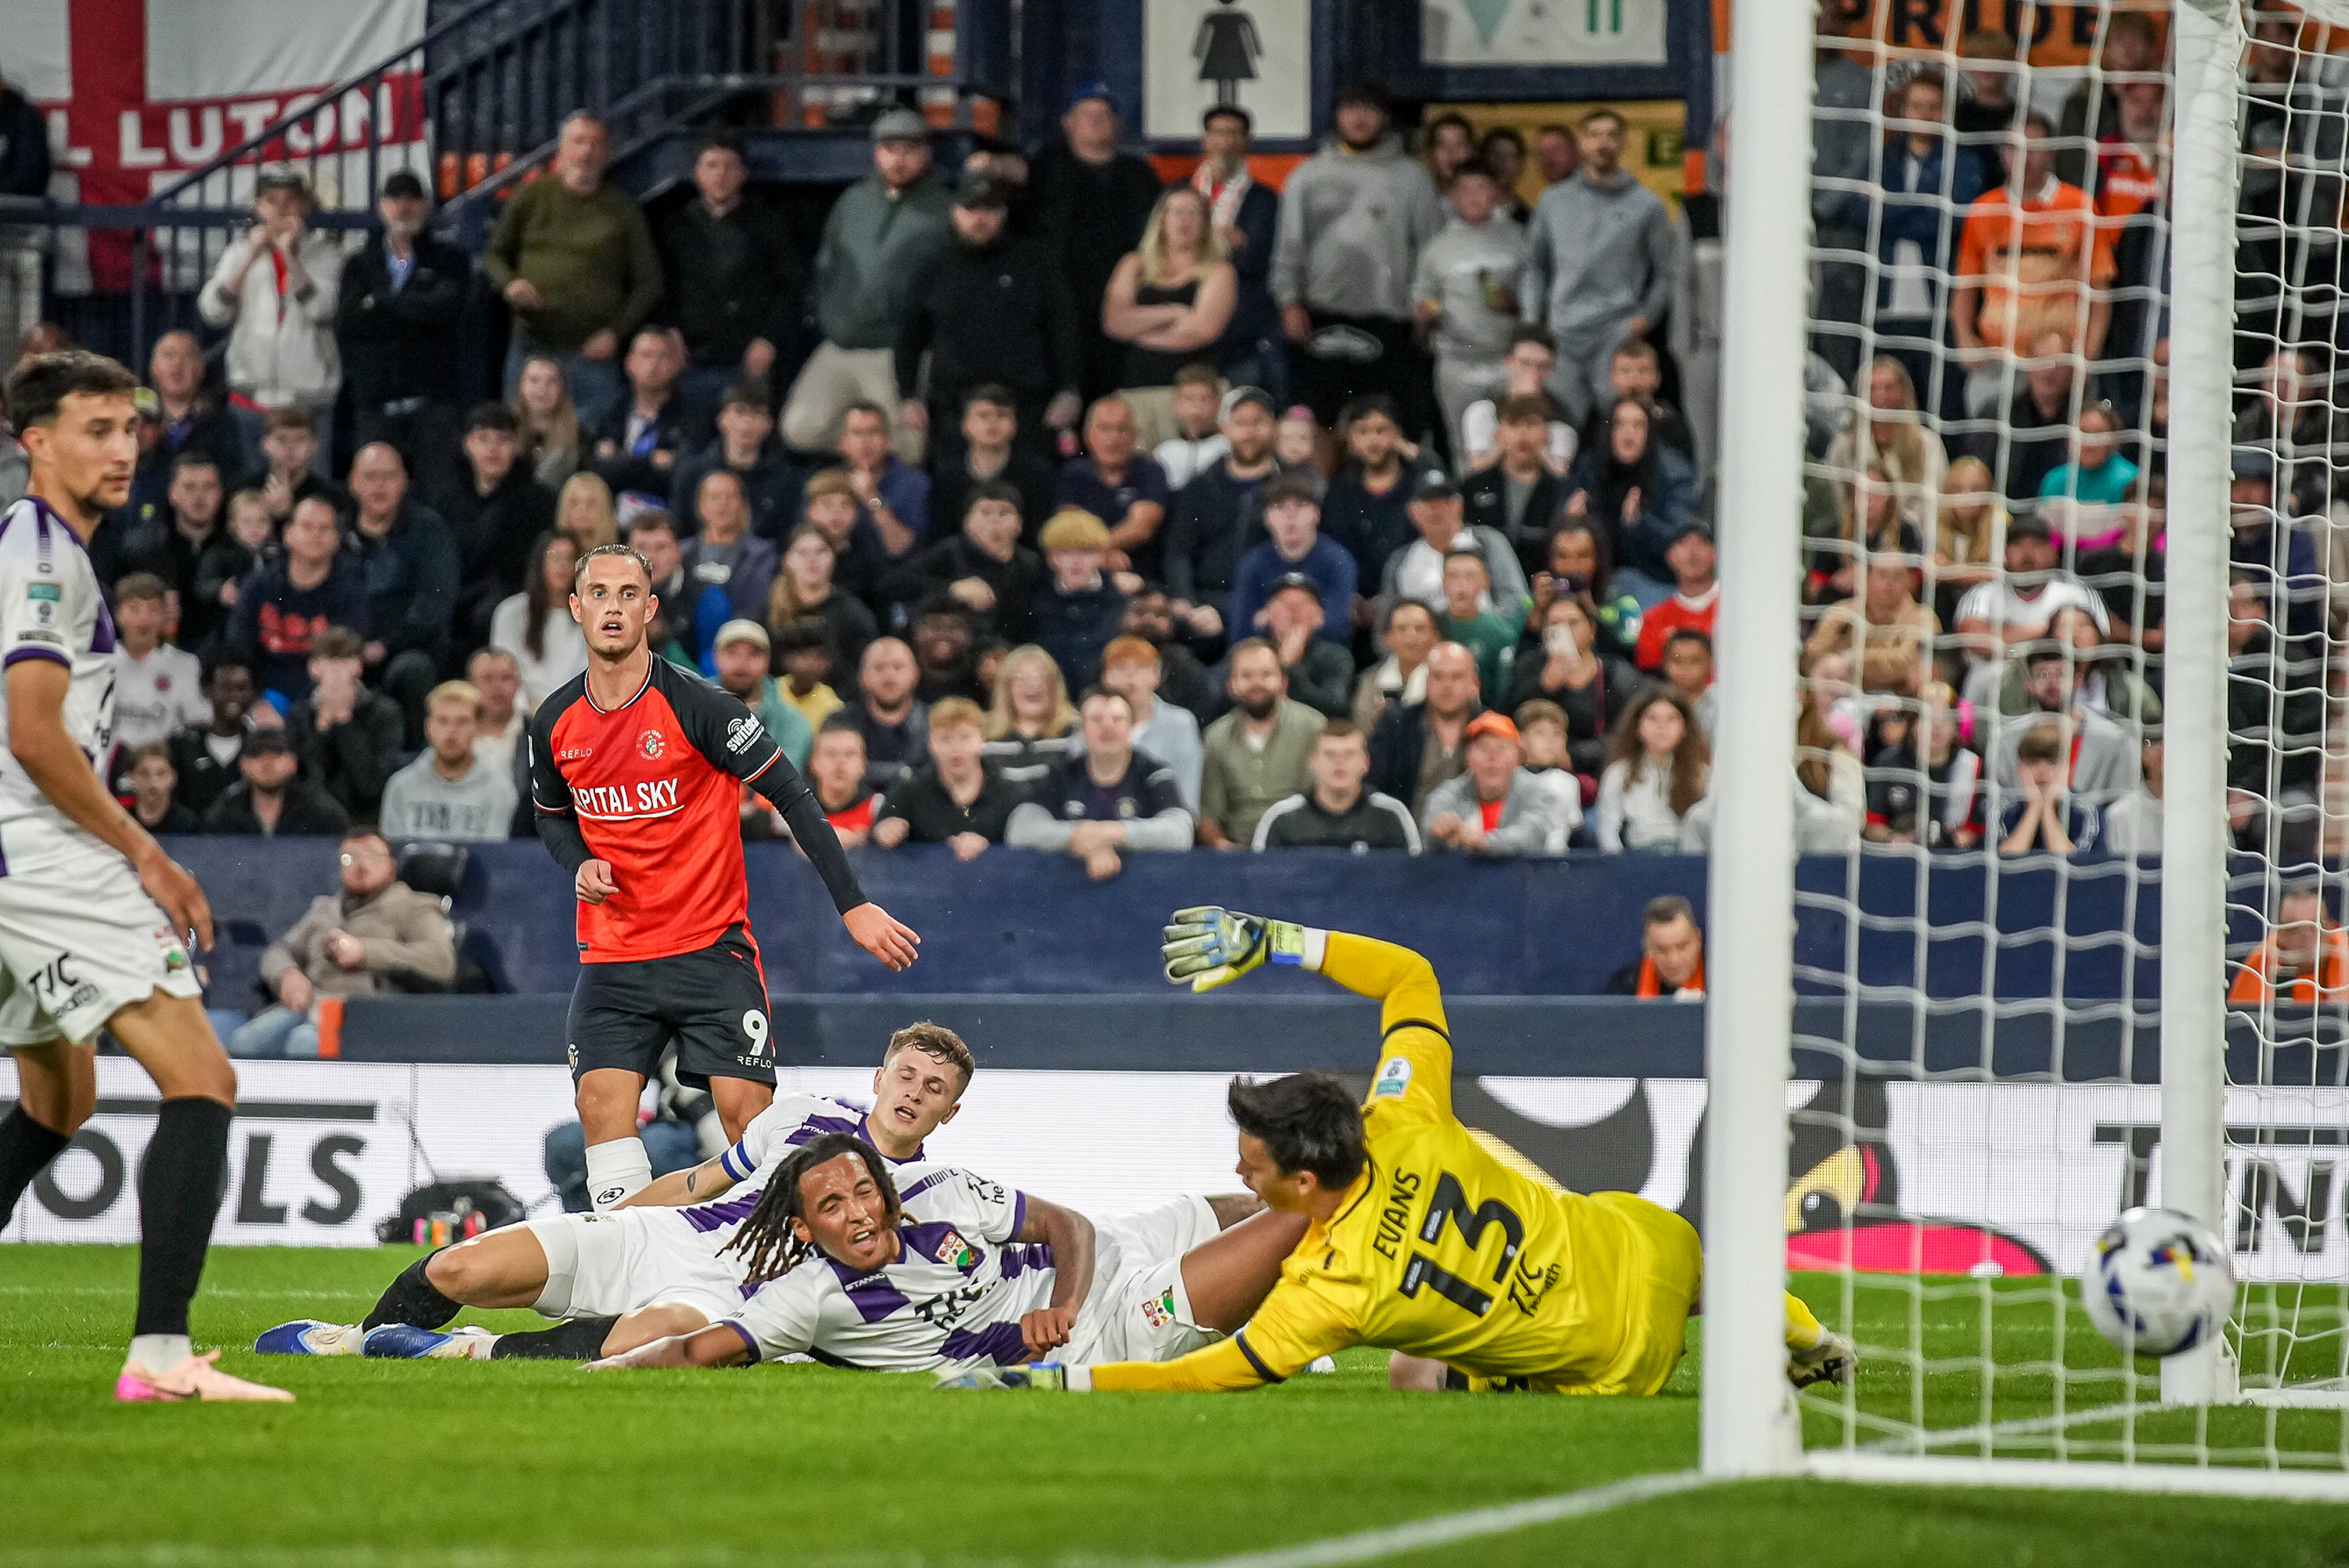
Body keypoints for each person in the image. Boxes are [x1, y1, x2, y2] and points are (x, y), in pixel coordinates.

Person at [1007, 909, 1847, 1394]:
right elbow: (1411, 975)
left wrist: (1070, 1380)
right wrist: (1278, 941)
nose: (1238, 1174)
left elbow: (1218, 1370)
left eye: (1252, 1168)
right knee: (1647, 1246)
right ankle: (1804, 1333)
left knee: (1412, 1372)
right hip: (1655, 1250)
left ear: (1304, 1181)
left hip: (1617, 1367)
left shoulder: (1329, 1289)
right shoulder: (1401, 1111)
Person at [0, 353, 293, 1400]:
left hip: (16, 861)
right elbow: (34, 734)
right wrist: (146, 850)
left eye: (129, 427)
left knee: (59, 1095)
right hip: (44, 859)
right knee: (203, 1077)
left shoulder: (36, 547)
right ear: (34, 440)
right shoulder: (45, 557)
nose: (123, 448)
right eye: (94, 428)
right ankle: (162, 1355)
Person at [531, 542, 920, 1209]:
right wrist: (579, 863)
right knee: (601, 1107)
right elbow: (552, 817)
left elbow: (795, 795)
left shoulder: (703, 707)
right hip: (614, 953)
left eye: (630, 594)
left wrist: (851, 903)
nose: (614, 607)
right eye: (600, 593)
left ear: (651, 608)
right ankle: (628, 1279)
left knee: (750, 1120)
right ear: (576, 607)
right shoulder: (553, 721)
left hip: (710, 948)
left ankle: (775, 1265)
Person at [276, 1026, 978, 1363]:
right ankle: (355, 1342)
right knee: (460, 1267)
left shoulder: (929, 1196)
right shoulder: (800, 1115)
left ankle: (462, 1350)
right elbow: (697, 1183)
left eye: (934, 1087)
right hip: (669, 1235)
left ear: (948, 1112)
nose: (915, 1091)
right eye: (907, 1074)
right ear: (881, 1075)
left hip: (733, 1295)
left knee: (652, 1341)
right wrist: (608, 1219)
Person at [587, 1134, 1300, 1380]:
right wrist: (600, 1369)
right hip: (1098, 1333)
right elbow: (690, 1352)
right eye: (832, 1207)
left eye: (864, 1191)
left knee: (1244, 1203)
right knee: (1298, 1215)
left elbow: (1066, 1223)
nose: (860, 1212)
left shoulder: (938, 1188)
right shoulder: (807, 1299)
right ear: (804, 1230)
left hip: (1097, 1264)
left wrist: (1062, 1300)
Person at [1271, 82, 1447, 428]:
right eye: (1350, 108)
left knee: (1392, 423)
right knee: (1321, 422)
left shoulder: (1413, 178)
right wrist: (1289, 301)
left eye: (1369, 109)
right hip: (1321, 318)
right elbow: (1289, 246)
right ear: (1338, 116)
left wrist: (1429, 306)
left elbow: (1433, 252)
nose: (1359, 118)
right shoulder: (1308, 176)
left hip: (1394, 323)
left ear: (1384, 117)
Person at [783, 110, 953, 459]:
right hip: (840, 343)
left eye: (909, 149)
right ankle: (856, 475)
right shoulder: (853, 200)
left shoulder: (945, 210)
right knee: (798, 429)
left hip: (895, 352)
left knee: (909, 448)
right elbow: (825, 265)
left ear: (926, 154)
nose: (899, 159)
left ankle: (879, 489)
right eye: (890, 149)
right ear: (876, 153)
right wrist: (827, 315)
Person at [485, 113, 662, 416]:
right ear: (562, 149)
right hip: (531, 346)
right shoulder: (532, 196)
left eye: (596, 144)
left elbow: (650, 281)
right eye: (579, 142)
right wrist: (510, 284)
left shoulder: (623, 209)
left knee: (591, 443)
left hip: (592, 354)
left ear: (606, 153)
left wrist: (615, 333)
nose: (586, 152)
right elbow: (495, 254)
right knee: (521, 438)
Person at [897, 181, 1082, 470]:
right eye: (971, 209)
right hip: (954, 407)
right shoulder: (933, 267)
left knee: (1031, 487)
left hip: (1028, 405)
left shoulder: (1037, 261)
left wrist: (1070, 389)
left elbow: (1064, 329)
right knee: (955, 492)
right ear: (955, 212)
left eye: (990, 209)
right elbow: (909, 335)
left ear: (1004, 213)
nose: (980, 218)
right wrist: (908, 395)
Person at [227, 826, 453, 1062]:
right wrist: (287, 974)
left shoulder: (415, 907)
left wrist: (365, 952)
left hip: (368, 1012)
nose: (362, 866)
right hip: (311, 1003)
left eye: (373, 857)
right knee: (245, 1042)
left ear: (392, 865)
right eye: (350, 858)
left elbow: (441, 961)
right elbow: (279, 950)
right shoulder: (325, 909)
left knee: (304, 1042)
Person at [1952, 113, 2115, 420]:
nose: (2024, 159)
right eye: (2015, 149)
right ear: (2004, 154)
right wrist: (1965, 338)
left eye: (2034, 148)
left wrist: (2088, 358)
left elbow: (2100, 292)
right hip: (1997, 361)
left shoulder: (2079, 206)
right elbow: (1965, 287)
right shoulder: (1983, 210)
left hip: (2061, 363)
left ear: (2052, 151)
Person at [1521, 110, 1674, 427]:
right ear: (1581, 143)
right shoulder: (1553, 201)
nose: (1602, 143)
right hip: (1562, 333)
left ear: (1623, 143)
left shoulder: (1647, 206)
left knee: (1619, 424)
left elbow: (1666, 273)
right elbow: (1534, 267)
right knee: (1559, 423)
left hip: (1616, 331)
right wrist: (1533, 325)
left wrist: (1642, 320)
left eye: (1610, 135)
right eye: (1594, 135)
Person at [1859, 70, 1991, 409]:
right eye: (1918, 106)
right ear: (1904, 110)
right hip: (1883, 307)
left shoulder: (1965, 161)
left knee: (1944, 405)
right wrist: (1923, 209)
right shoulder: (1880, 157)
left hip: (1941, 311)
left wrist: (1891, 211)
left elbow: (1953, 217)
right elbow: (1860, 211)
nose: (1925, 115)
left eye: (1934, 107)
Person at [198, 169, 345, 468]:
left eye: (291, 200)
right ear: (259, 208)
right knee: (253, 501)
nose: (281, 209)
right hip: (251, 401)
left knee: (311, 500)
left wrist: (290, 255)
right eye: (272, 200)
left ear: (305, 206)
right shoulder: (239, 252)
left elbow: (322, 309)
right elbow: (213, 310)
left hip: (306, 406)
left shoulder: (326, 254)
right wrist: (251, 254)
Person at [1031, 85, 1164, 401]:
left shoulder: (1140, 175)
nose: (1096, 121)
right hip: (1059, 301)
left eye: (1104, 114)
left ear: (1118, 124)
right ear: (1068, 122)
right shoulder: (1043, 170)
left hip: (1124, 302)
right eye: (1087, 114)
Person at [655, 131, 800, 406]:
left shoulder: (769, 224)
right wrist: (670, 330)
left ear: (743, 173)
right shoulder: (676, 226)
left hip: (750, 360)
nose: (720, 175)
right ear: (697, 173)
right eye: (712, 165)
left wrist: (770, 339)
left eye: (730, 166)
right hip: (692, 358)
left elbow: (789, 287)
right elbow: (662, 284)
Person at [337, 170, 467, 467]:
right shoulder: (359, 264)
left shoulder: (451, 260)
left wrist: (380, 302)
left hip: (434, 402)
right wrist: (416, 307)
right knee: (375, 489)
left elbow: (446, 311)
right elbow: (348, 324)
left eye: (413, 199)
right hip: (374, 403)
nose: (404, 206)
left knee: (437, 490)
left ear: (426, 206)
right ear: (382, 207)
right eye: (396, 198)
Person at [1102, 186, 1237, 449]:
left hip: (1196, 397)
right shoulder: (1134, 263)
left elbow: (1202, 330)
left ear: (1206, 223)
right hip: (1137, 389)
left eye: (1193, 213)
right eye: (1176, 212)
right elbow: (1114, 323)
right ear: (1161, 219)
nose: (1184, 220)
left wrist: (1138, 329)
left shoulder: (1220, 270)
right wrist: (1173, 312)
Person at [1006, 687, 1193, 880]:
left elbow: (1180, 832)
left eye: (1117, 719)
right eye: (1096, 720)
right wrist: (1078, 838)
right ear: (1082, 732)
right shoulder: (1062, 774)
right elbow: (1020, 829)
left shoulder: (1154, 774)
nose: (1107, 727)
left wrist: (1113, 833)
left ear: (1132, 729)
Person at [1413, 160, 1528, 454]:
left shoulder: (1520, 239)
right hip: (1457, 363)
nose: (1474, 197)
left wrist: (1515, 303)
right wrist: (1427, 314)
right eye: (1465, 189)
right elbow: (1421, 297)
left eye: (1482, 188)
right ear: (1452, 196)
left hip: (1509, 361)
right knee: (1465, 446)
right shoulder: (1437, 247)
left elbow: (1540, 298)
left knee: (1517, 442)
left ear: (1497, 194)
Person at [342, 443, 456, 730]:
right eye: (370, 477)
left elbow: (435, 602)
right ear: (353, 482)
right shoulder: (334, 533)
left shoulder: (430, 530)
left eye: (389, 477)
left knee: (413, 670)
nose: (379, 486)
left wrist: (385, 646)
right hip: (343, 652)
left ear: (404, 482)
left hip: (406, 650)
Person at [431, 402, 557, 649]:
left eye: (503, 440)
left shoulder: (537, 500)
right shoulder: (446, 500)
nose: (493, 449)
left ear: (516, 447)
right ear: (467, 445)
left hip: (510, 597)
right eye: (483, 439)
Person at [224, 492, 366, 704]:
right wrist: (257, 700)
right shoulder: (259, 585)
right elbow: (239, 648)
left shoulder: (350, 591)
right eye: (307, 527)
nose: (315, 535)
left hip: (323, 696)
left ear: (336, 539)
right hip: (262, 696)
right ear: (288, 533)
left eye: (324, 529)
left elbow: (345, 656)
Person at [1164, 386, 1285, 627]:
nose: (1249, 432)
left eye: (1258, 422)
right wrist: (1190, 604)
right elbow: (1179, 552)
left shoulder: (1293, 486)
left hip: (1270, 605)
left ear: (1273, 427)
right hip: (1207, 602)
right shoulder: (1199, 487)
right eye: (1240, 423)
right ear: (1225, 429)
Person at [1561, 397, 1697, 606]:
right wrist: (1570, 521)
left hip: (1653, 577)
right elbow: (1558, 534)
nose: (1628, 432)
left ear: (1650, 433)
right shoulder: (1589, 467)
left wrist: (1641, 524)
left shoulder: (1675, 474)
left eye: (1638, 425)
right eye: (1620, 424)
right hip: (1595, 580)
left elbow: (1681, 542)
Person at [879, 480, 1045, 646]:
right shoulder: (950, 552)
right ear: (968, 523)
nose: (995, 522)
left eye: (1004, 513)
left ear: (1019, 524)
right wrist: (952, 589)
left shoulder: (1031, 564)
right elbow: (893, 584)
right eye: (985, 513)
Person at [1197, 639, 1326, 849]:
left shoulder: (1313, 727)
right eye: (1247, 676)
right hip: (1237, 855)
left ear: (1283, 682)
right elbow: (1209, 814)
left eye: (1266, 675)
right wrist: (1222, 846)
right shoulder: (1216, 736)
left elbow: (1323, 804)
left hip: (1300, 850)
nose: (1257, 684)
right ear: (1231, 685)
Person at [1192, 105, 1281, 390]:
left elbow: (1258, 258)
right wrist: (1227, 240)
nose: (1225, 141)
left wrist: (1200, 241)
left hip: (1242, 325)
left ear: (1247, 143)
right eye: (1217, 132)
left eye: (1233, 134)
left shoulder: (1265, 200)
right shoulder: (1181, 192)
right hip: (1187, 316)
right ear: (1205, 140)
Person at [1505, 590, 1638, 779]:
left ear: (1592, 629)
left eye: (1573, 623)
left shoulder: (1616, 674)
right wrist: (1544, 686)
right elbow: (1508, 719)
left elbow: (1626, 735)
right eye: (1555, 624)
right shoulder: (1528, 667)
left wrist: (1573, 756)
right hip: (1533, 773)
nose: (1564, 631)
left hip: (1598, 775)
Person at [871, 697, 1024, 860]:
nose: (956, 749)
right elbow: (878, 832)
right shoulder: (909, 789)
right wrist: (885, 832)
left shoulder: (1010, 791)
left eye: (965, 737)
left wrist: (989, 849)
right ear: (931, 743)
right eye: (945, 739)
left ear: (982, 739)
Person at [1989, 643, 2139, 798]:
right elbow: (2000, 807)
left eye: (2062, 674)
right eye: (2041, 674)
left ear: (2078, 681)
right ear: (2030, 684)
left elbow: (2123, 807)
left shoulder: (2116, 740)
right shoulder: (2005, 739)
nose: (2052, 683)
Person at [285, 626, 403, 822]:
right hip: (311, 826)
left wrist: (345, 722)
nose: (336, 670)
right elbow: (304, 785)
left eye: (345, 660)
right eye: (329, 661)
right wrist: (322, 727)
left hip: (367, 821)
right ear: (313, 668)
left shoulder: (385, 713)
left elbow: (371, 787)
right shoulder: (299, 715)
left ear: (358, 666)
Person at [1379, 470, 1529, 624]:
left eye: (1444, 501)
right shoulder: (1400, 561)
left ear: (1459, 506)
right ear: (1413, 511)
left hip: (1485, 640)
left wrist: (1494, 632)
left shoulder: (1488, 542)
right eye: (1427, 502)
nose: (1435, 509)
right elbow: (1385, 622)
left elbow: (1517, 599)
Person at [1822, 356, 1947, 537]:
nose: (1881, 396)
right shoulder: (1843, 447)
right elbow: (1837, 504)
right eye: (1872, 389)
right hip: (1855, 541)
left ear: (1904, 392)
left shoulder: (1928, 444)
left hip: (1913, 543)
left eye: (1889, 388)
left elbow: (1934, 507)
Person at [1225, 474, 1355, 647]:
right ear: (1267, 517)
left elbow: (1337, 627)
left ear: (1316, 514)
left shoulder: (1337, 560)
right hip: (1266, 652)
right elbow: (1240, 631)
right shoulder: (1253, 563)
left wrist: (1272, 619)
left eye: (1300, 506)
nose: (1290, 516)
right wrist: (1309, 619)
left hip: (1319, 653)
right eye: (1280, 507)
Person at [1421, 710, 1572, 856]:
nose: (1493, 757)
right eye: (1483, 748)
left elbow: (1531, 836)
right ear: (1468, 758)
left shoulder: (1537, 791)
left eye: (1502, 748)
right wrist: (1439, 830)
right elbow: (1430, 828)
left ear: (1518, 758)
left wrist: (1484, 842)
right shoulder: (1450, 792)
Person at [1253, 719, 1418, 851]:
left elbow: (1411, 882)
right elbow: (1259, 883)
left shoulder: (1392, 815)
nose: (1340, 763)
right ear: (1312, 762)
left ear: (1366, 762)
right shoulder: (1281, 819)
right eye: (1330, 754)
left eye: (1350, 754)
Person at [669, 381, 799, 543]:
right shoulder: (692, 473)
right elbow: (679, 529)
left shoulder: (786, 480)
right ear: (721, 418)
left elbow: (787, 536)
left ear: (769, 424)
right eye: (739, 412)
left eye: (757, 414)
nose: (746, 424)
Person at [929, 386, 1060, 545]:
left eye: (1002, 415)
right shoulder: (947, 476)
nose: (993, 423)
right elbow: (940, 536)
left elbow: (1041, 534)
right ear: (965, 425)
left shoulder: (1037, 473)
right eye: (983, 416)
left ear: (1014, 425)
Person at [1058, 396, 1171, 579]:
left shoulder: (1151, 470)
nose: (1113, 438)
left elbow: (1140, 528)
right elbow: (1070, 528)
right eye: (1104, 429)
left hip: (1140, 575)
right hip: (1086, 576)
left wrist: (1094, 551)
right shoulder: (1074, 473)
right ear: (1088, 435)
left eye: (1122, 429)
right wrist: (1099, 556)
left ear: (1135, 435)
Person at [1367, 640, 1483, 815]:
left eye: (1457, 677)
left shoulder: (1491, 727)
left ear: (1475, 684)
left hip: (1476, 835)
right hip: (1408, 835)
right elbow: (1375, 787)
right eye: (1438, 676)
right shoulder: (1396, 723)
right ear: (1427, 682)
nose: (1447, 686)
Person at [1864, 682, 1982, 849]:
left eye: (1945, 719)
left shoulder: (1973, 766)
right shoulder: (1889, 762)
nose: (1937, 727)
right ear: (1913, 725)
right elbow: (1873, 826)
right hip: (1901, 858)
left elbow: (1977, 831)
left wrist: (1950, 840)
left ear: (1957, 727)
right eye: (1929, 718)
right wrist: (1893, 838)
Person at [1804, 550, 1937, 698]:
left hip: (1903, 700)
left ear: (1911, 581)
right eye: (1882, 575)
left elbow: (1906, 662)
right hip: (1844, 695)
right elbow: (1814, 653)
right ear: (1867, 577)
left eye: (1897, 576)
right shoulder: (1843, 612)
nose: (1889, 583)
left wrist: (1850, 658)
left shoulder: (1922, 617)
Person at [1461, 395, 1571, 570]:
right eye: (1513, 424)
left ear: (1547, 434)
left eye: (1532, 424)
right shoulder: (1474, 486)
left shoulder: (1562, 490)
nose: (1523, 433)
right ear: (1498, 434)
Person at [765, 514, 878, 683]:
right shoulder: (766, 614)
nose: (812, 560)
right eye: (802, 553)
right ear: (786, 560)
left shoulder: (854, 616)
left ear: (833, 557)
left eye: (821, 551)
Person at [587, 327, 697, 499]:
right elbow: (598, 472)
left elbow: (679, 477)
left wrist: (619, 460)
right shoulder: (609, 411)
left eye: (663, 357)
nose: (653, 365)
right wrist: (651, 462)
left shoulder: (692, 415)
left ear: (676, 365)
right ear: (629, 363)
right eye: (646, 355)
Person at [109, 574, 209, 758]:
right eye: (134, 610)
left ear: (165, 615)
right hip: (108, 768)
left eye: (153, 610)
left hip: (164, 767)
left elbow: (198, 721)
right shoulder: (102, 662)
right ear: (118, 614)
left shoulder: (185, 665)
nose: (144, 620)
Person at [489, 532, 591, 714]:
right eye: (553, 557)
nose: (562, 565)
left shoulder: (592, 615)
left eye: (570, 558)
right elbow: (504, 672)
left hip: (577, 715)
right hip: (522, 714)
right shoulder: (511, 612)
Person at [1596, 688, 1708, 852]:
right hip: (1638, 861)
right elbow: (1608, 830)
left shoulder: (1701, 773)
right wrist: (1620, 868)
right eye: (1652, 718)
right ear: (1638, 727)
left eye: (1672, 719)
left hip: (1687, 860)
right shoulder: (1619, 772)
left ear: (1685, 728)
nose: (1662, 727)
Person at [1100, 635, 1204, 811]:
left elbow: (1187, 802)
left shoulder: (1181, 724)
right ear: (1105, 677)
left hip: (1163, 829)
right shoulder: (1093, 723)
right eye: (1120, 668)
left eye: (1140, 668)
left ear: (1156, 675)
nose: (1130, 677)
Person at [1031, 508, 1128, 689]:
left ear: (1101, 556)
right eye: (1066, 552)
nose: (1076, 561)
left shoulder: (1119, 598)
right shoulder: (1037, 599)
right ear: (1051, 558)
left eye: (1086, 552)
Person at [1457, 327, 1575, 473]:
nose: (1534, 374)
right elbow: (1476, 469)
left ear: (1551, 371)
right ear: (1509, 362)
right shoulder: (1484, 411)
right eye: (1525, 363)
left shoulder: (1560, 419)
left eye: (1542, 366)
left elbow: (1560, 475)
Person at [200, 726, 349, 837]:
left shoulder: (323, 814)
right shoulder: (224, 814)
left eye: (276, 755)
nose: (267, 763)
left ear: (292, 763)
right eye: (257, 756)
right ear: (243, 765)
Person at [678, 468, 779, 631]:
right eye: (714, 497)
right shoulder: (680, 553)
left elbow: (755, 605)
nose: (723, 504)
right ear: (700, 506)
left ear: (743, 505)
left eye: (731, 497)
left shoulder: (762, 555)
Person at [705, 619, 811, 770]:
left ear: (767, 661)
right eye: (732, 652)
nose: (742, 663)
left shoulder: (791, 723)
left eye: (753, 654)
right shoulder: (691, 709)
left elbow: (784, 781)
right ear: (716, 657)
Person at [171, 653, 263, 821]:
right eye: (226, 688)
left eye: (242, 688)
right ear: (207, 690)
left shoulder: (261, 746)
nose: (235, 696)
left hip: (248, 843)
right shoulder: (183, 744)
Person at [2229, 885, 2349, 1005]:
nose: (2305, 938)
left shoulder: (2345, 955)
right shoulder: (2258, 968)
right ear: (2278, 933)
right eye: (2293, 930)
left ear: (2330, 927)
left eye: (2315, 928)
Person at [979, 643, 1080, 787]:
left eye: (1040, 677)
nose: (1032, 685)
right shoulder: (984, 738)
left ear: (1055, 686)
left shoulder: (1077, 734)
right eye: (1021, 678)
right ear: (1007, 688)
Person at [1997, 721, 2102, 856]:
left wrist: (2047, 807)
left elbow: (2072, 865)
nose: (2042, 771)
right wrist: (2034, 807)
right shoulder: (2008, 811)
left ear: (2067, 769)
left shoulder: (2084, 810)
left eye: (2052, 762)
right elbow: (2005, 863)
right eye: (2033, 762)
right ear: (2020, 770)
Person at [838, 636, 927, 791]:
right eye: (879, 668)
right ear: (862, 676)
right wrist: (903, 773)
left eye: (898, 667)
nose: (889, 676)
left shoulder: (934, 722)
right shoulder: (841, 722)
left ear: (915, 674)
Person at [1433, 546, 1517, 702]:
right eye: (1453, 576)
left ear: (1485, 581)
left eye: (1470, 576)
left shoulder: (1500, 634)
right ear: (1443, 582)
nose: (1461, 585)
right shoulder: (1431, 626)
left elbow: (1501, 693)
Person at [1354, 597, 1440, 734]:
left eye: (1419, 629)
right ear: (1388, 638)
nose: (1411, 636)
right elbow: (1362, 728)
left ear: (1436, 637)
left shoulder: (1449, 678)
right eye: (1402, 629)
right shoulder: (1369, 680)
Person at [1604, 896, 1705, 998]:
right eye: (1662, 950)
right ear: (1647, 948)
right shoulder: (1625, 990)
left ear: (1698, 939)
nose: (1674, 960)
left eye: (1682, 947)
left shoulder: (1719, 981)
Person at [512, 356, 586, 489]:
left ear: (562, 389)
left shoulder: (581, 438)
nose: (542, 390)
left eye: (551, 382)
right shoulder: (504, 431)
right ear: (521, 386)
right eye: (534, 381)